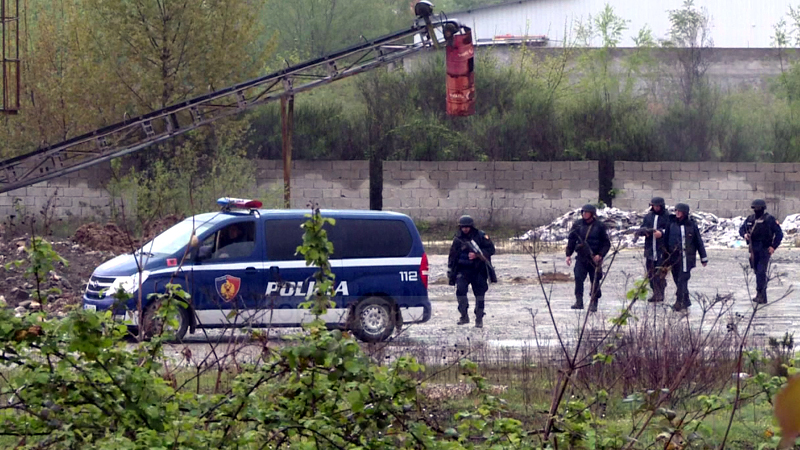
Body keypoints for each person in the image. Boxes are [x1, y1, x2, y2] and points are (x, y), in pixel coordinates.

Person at [447, 215, 496, 328]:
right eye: (463, 227)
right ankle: (464, 315)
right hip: (463, 270)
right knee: (460, 291)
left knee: (479, 295)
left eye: (467, 227)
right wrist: (450, 271)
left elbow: (491, 250)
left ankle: (479, 318)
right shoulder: (458, 239)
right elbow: (452, 256)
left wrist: (478, 255)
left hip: (478, 270)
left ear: (471, 226)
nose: (465, 229)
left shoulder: (481, 236)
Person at [565, 204, 611, 312]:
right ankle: (579, 301)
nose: (584, 214)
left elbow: (606, 243)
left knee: (594, 280)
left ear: (592, 214)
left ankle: (594, 303)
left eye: (587, 212)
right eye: (583, 212)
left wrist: (600, 255)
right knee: (578, 278)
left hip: (594, 258)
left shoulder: (599, 226)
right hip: (581, 257)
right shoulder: (577, 225)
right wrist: (568, 255)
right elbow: (571, 240)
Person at [738, 199, 783, 304]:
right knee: (757, 271)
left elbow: (779, 234)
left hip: (764, 249)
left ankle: (762, 295)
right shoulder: (750, 219)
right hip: (753, 250)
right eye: (755, 208)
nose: (757, 210)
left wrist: (773, 247)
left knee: (761, 272)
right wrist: (745, 235)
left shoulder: (769, 219)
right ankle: (760, 294)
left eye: (759, 208)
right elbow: (742, 229)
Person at [665, 203, 708, 312]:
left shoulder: (691, 225)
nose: (677, 213)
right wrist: (665, 257)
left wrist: (703, 257)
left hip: (687, 258)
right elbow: (665, 241)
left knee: (682, 280)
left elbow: (698, 242)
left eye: (680, 211)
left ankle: (679, 302)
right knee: (676, 279)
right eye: (676, 211)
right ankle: (686, 300)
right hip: (674, 258)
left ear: (685, 213)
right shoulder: (671, 224)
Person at [636, 197, 670, 303]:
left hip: (662, 250)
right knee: (650, 274)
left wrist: (662, 233)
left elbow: (671, 230)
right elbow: (643, 227)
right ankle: (655, 292)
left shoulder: (668, 217)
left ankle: (660, 293)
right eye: (654, 206)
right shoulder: (648, 217)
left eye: (657, 206)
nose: (655, 208)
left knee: (660, 273)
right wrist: (643, 232)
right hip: (650, 249)